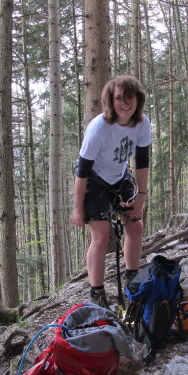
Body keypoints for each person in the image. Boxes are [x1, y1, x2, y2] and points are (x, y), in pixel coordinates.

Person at [70, 75, 151, 307]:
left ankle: (132, 280)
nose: (125, 103)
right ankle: (97, 293)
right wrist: (78, 208)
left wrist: (140, 199)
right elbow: (83, 170)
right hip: (94, 181)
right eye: (119, 98)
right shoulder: (99, 128)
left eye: (130, 98)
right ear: (110, 100)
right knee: (102, 235)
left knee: (135, 226)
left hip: (120, 176)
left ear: (137, 99)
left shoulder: (142, 124)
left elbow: (142, 161)